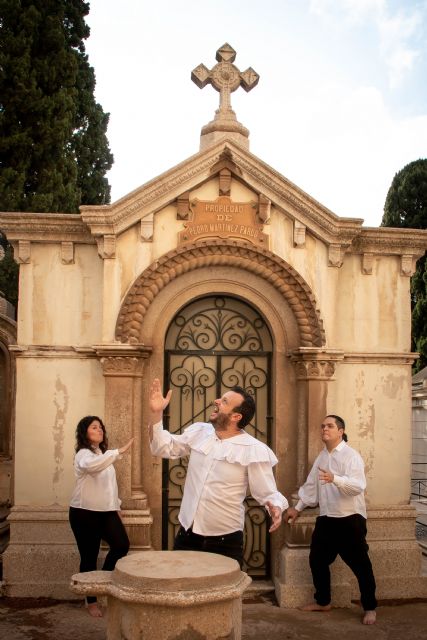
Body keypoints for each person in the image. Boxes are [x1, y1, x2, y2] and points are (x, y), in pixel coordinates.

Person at [149, 378, 288, 567]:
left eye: (224, 401)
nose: (216, 401)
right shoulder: (199, 432)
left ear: (236, 416)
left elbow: (267, 493)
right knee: (182, 592)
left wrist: (276, 506)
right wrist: (157, 413)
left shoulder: (253, 449)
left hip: (226, 542)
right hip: (187, 535)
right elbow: (163, 448)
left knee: (223, 596)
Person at [285, 414, 377, 625]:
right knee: (317, 560)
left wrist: (334, 479)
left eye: (329, 426)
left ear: (340, 431)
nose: (324, 429)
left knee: (361, 566)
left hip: (350, 519)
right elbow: (311, 486)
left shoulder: (351, 456)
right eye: (322, 426)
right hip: (326, 519)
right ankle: (323, 601)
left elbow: (358, 487)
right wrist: (297, 507)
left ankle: (370, 607)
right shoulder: (322, 456)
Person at [69, 415, 134, 617]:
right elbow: (92, 466)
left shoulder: (102, 454)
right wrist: (119, 451)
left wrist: (117, 507)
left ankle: (102, 584)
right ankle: (91, 600)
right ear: (85, 432)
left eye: (101, 427)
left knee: (121, 545)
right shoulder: (83, 454)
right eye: (94, 427)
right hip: (84, 513)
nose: (100, 430)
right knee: (89, 556)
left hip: (107, 512)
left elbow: (110, 486)